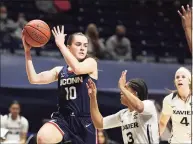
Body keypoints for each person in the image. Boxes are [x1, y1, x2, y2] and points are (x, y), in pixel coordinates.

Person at [22, 25, 98, 144]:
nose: (82, 48)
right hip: (63, 119)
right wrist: (27, 52)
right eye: (78, 44)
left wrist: (61, 45)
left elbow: (77, 69)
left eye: (85, 45)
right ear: (69, 47)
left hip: (85, 122)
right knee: (43, 138)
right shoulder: (59, 71)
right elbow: (34, 79)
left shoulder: (91, 64)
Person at [87, 70, 159, 144]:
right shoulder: (123, 114)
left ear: (135, 93)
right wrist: (93, 98)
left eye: (125, 88)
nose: (121, 91)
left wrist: (121, 86)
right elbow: (99, 123)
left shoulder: (149, 105)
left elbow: (139, 107)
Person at [159, 67, 192, 144]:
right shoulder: (169, 99)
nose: (180, 79)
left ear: (189, 81)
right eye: (177, 77)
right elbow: (162, 123)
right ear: (175, 81)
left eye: (183, 77)